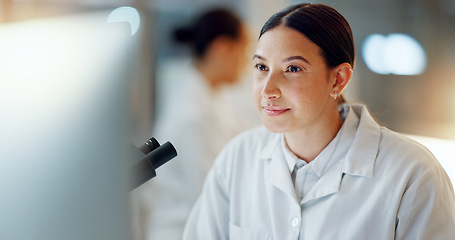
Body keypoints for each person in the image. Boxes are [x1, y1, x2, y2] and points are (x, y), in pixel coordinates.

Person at [182, 3, 455, 239]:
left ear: (338, 79)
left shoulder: (412, 174)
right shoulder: (237, 159)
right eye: (262, 67)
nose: (268, 90)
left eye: (293, 69)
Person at [139, 8, 252, 240]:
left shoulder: (210, 100)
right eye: (245, 51)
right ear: (223, 48)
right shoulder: (192, 113)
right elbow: (208, 194)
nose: (246, 62)